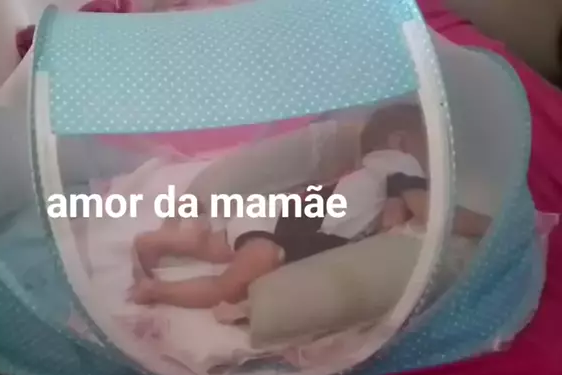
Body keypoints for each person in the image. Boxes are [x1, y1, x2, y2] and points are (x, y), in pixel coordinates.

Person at [128, 103, 491, 309]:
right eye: (431, 150)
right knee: (230, 287)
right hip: (282, 228)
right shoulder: (399, 162)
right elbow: (433, 212)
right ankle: (157, 291)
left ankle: (175, 241)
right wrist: (488, 225)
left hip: (273, 214)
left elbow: (390, 218)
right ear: (401, 142)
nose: (433, 164)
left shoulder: (377, 172)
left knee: (221, 247)